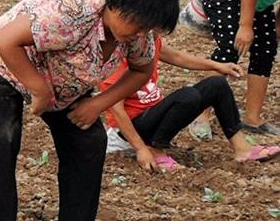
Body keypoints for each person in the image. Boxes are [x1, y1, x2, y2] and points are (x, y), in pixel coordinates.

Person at [0, 0, 182, 221]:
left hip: (65, 83)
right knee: (4, 134)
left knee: (88, 140)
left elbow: (142, 70)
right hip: (4, 64)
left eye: (148, 28)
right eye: (137, 23)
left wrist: (99, 104)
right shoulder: (70, 13)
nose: (139, 34)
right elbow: (6, 40)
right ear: (115, 5)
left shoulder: (136, 36)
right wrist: (38, 89)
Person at [103, 39, 280, 170]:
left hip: (153, 118)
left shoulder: (149, 41)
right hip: (128, 131)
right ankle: (156, 151)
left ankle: (242, 148)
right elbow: (117, 111)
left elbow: (180, 57)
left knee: (217, 83)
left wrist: (218, 66)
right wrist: (140, 149)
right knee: (188, 96)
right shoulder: (117, 57)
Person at [185, 0, 280, 137]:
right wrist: (245, 26)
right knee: (231, 45)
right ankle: (200, 115)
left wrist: (276, 30)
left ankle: (252, 120)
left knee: (266, 48)